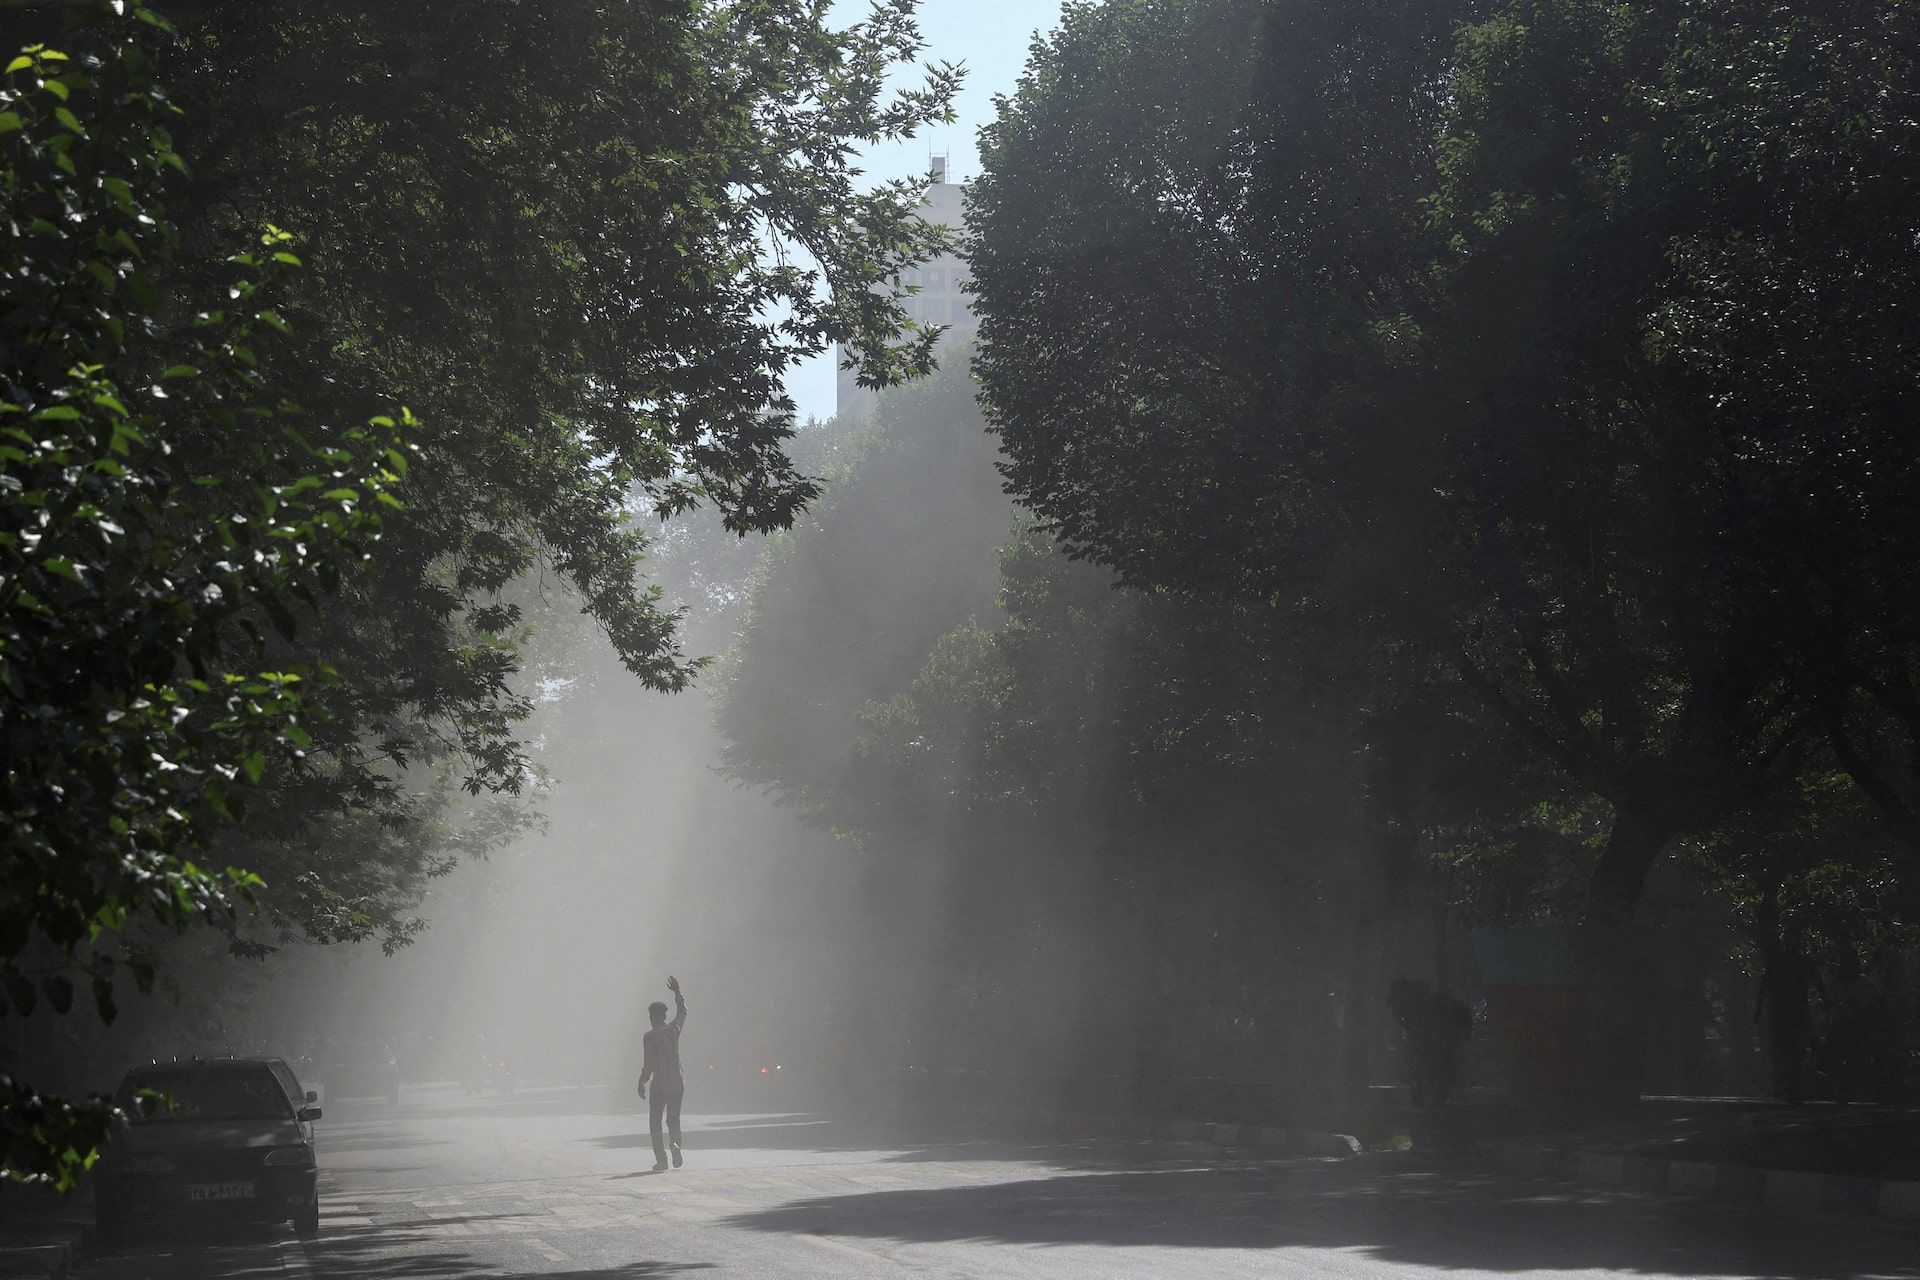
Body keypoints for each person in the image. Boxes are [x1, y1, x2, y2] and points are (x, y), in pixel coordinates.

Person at [636, 975, 688, 1171]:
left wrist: (642, 1081)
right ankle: (675, 1145)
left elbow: (648, 1064)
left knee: (655, 1123)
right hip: (677, 1084)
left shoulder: (649, 1037)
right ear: (664, 1016)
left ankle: (661, 1159)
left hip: (659, 1087)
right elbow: (683, 1011)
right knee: (673, 1119)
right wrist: (677, 992)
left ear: (652, 1017)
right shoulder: (674, 1030)